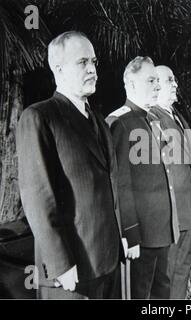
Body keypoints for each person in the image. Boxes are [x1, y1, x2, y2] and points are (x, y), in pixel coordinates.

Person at [16, 31, 138, 299]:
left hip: (108, 262)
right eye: (82, 62)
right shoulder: (39, 117)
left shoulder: (99, 122)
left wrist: (122, 239)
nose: (92, 70)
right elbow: (38, 197)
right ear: (58, 69)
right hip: (72, 272)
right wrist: (60, 264)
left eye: (94, 62)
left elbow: (111, 189)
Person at [106, 57, 178, 299]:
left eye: (158, 81)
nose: (157, 86)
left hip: (160, 230)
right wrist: (130, 234)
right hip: (143, 235)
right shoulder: (120, 123)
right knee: (140, 294)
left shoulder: (152, 121)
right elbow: (121, 185)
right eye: (151, 81)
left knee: (161, 293)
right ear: (131, 84)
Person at [149, 65, 191, 299]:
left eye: (174, 80)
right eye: (169, 80)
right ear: (156, 85)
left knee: (182, 270)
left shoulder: (176, 117)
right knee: (168, 274)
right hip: (170, 215)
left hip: (186, 211)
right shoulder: (152, 118)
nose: (176, 85)